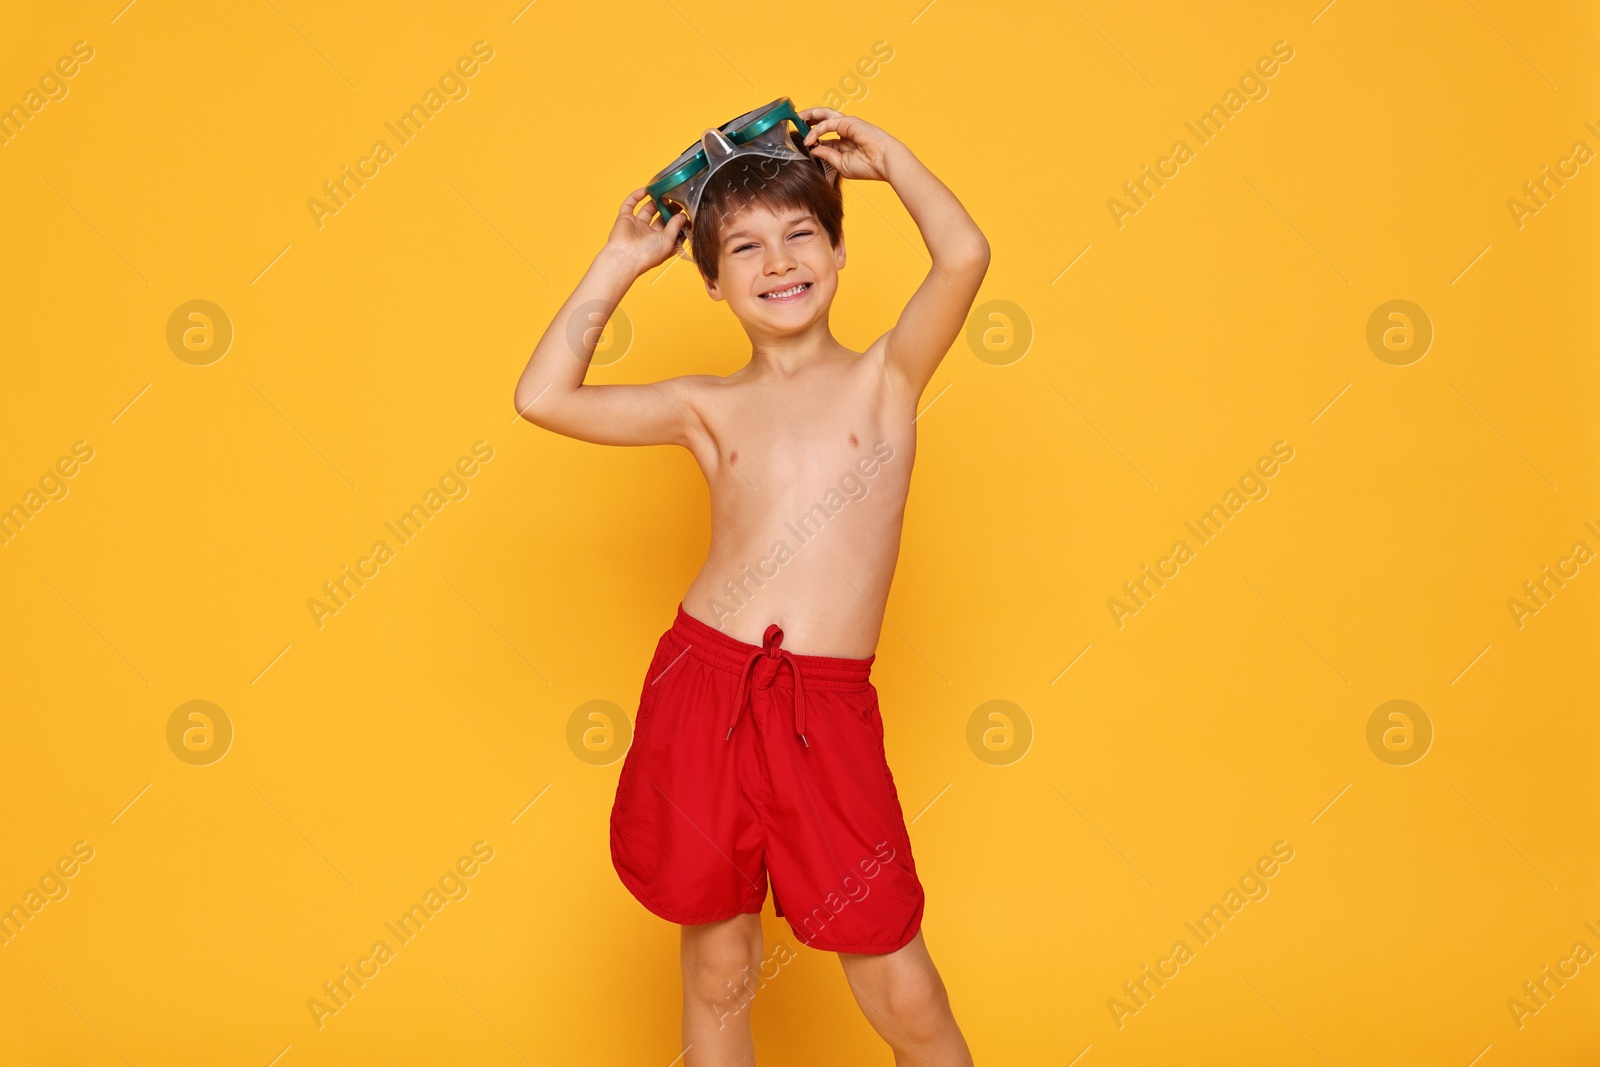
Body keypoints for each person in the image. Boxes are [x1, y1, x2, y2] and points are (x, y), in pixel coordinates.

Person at [514, 104, 987, 1066]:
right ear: (715, 281)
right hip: (704, 687)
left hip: (823, 713)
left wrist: (887, 160)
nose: (778, 263)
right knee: (719, 967)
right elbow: (543, 396)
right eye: (747, 249)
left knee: (904, 985)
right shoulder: (705, 406)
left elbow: (966, 255)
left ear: (840, 251)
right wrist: (619, 259)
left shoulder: (888, 379)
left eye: (801, 236)